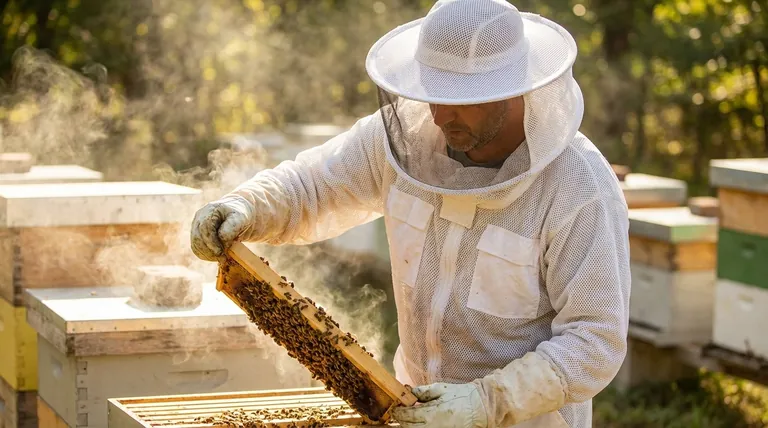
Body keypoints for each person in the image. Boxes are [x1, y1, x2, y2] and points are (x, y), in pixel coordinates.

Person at [190, 0, 631, 427]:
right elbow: (313, 184)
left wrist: (484, 404)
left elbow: (595, 342)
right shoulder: (405, 135)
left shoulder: (578, 187)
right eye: (432, 93)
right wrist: (247, 204)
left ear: (511, 90)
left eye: (460, 99)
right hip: (411, 410)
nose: (439, 115)